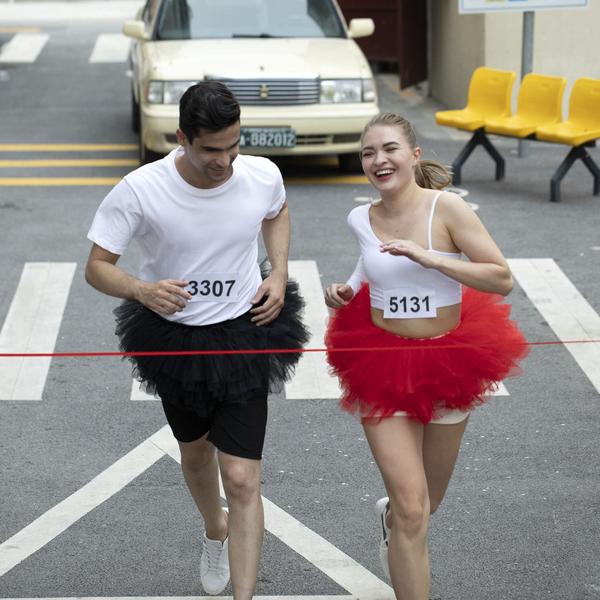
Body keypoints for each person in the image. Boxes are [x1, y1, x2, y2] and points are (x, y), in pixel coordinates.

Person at [85, 81, 308, 600]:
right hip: (175, 340)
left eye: (234, 145)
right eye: (212, 149)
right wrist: (142, 289)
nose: (226, 161)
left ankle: (244, 595)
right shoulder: (141, 189)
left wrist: (278, 272)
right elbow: (97, 268)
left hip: (244, 331)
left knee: (243, 477)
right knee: (194, 455)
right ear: (182, 137)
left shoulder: (260, 175)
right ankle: (215, 528)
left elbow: (276, 211)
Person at [324, 113, 528, 600]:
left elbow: (500, 277)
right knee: (415, 510)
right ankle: (402, 529)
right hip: (382, 361)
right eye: (369, 153)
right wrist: (348, 289)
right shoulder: (360, 217)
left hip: (449, 360)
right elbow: (368, 258)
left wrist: (431, 257)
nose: (379, 160)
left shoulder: (448, 210)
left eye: (389, 149)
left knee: (425, 504)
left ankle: (390, 520)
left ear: (414, 155)